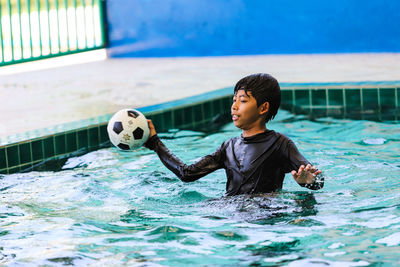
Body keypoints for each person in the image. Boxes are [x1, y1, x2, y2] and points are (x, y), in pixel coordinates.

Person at [144, 73, 324, 196]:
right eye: (234, 100)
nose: (234, 106)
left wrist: (307, 181)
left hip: (265, 213)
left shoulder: (280, 144)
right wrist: (155, 143)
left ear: (263, 108)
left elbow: (317, 180)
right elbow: (187, 173)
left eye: (243, 100)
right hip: (230, 212)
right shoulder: (228, 147)